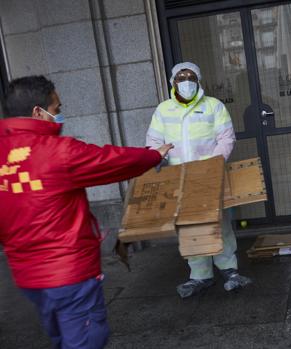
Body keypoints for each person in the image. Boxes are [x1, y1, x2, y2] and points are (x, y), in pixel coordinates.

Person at [0, 75, 173, 348]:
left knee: (60, 336)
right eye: (56, 109)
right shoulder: (57, 152)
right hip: (67, 272)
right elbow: (111, 160)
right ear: (37, 112)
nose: (59, 115)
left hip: (27, 276)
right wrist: (154, 155)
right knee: (86, 340)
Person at [146, 62, 252, 298]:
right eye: (181, 77)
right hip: (180, 180)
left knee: (219, 222)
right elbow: (153, 142)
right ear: (172, 82)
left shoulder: (213, 106)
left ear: (198, 80)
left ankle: (229, 269)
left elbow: (226, 138)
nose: (186, 81)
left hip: (209, 177)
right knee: (189, 227)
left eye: (191, 76)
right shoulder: (163, 110)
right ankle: (200, 274)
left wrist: (213, 164)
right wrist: (156, 157)